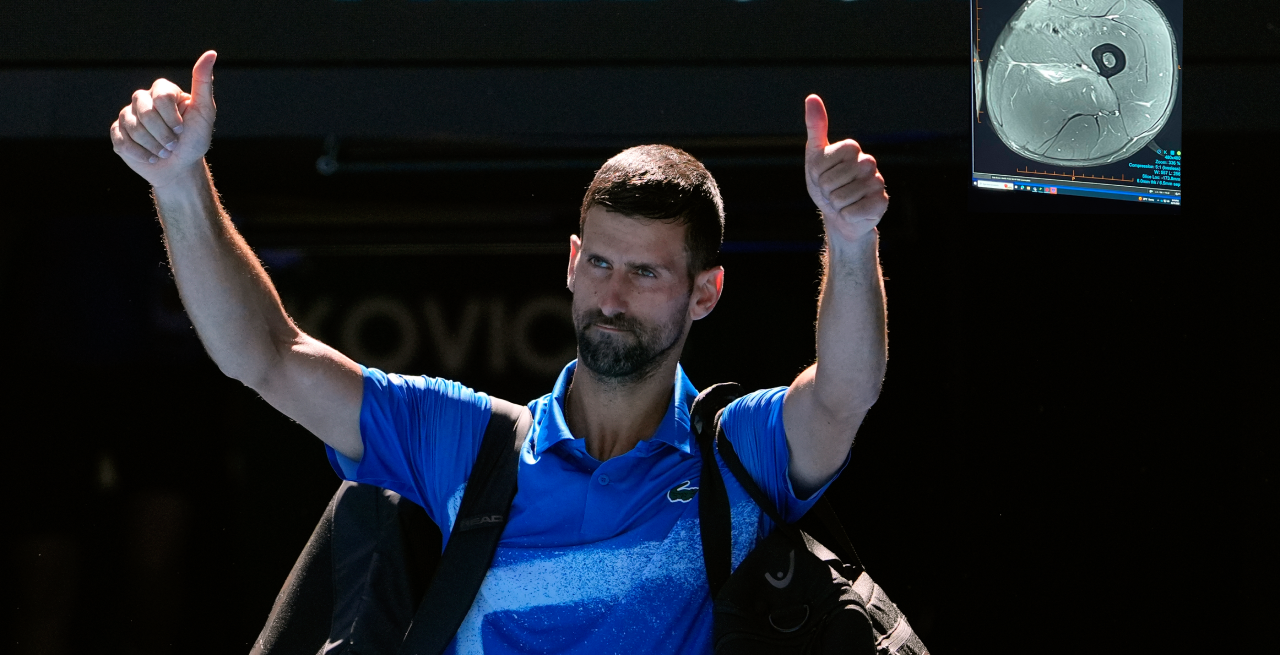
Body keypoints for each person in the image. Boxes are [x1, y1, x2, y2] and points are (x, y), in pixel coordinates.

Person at [109, 51, 889, 654]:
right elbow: (268, 355)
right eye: (599, 264)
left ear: (706, 293)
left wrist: (851, 242)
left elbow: (842, 393)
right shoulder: (464, 443)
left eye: (647, 273)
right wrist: (179, 184)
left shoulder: (736, 457)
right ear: (572, 260)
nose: (611, 298)